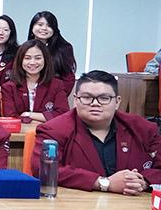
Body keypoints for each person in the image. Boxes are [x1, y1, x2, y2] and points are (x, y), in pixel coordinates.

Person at [31, 70, 159, 194]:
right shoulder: (54, 129)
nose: (95, 104)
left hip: (134, 207)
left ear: (117, 102)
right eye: (87, 97)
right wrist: (104, 183)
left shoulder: (143, 129)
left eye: (104, 98)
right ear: (76, 100)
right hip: (77, 207)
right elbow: (43, 169)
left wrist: (143, 181)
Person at [0, 39, 69, 123]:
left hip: (49, 133)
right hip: (19, 134)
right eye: (27, 58)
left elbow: (63, 114)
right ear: (20, 60)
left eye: (38, 58)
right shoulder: (9, 87)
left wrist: (28, 115)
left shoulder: (57, 84)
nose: (32, 62)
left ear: (45, 60)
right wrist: (41, 119)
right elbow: (11, 117)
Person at [28, 11, 77, 96]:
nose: (44, 28)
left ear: (54, 29)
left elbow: (68, 79)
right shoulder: (24, 49)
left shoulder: (64, 48)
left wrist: (57, 96)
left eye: (49, 26)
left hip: (53, 97)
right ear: (32, 27)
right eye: (40, 24)